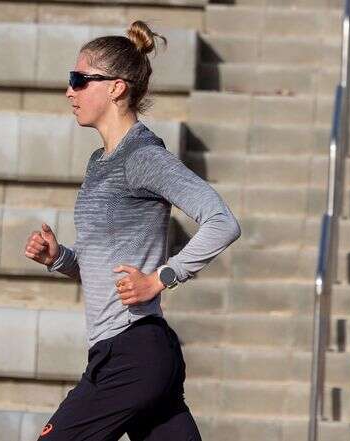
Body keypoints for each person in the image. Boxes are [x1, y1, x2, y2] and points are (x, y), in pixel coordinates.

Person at [24, 20, 241, 441]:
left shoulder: (142, 158)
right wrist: (60, 259)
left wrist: (162, 278)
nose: (70, 91)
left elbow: (222, 221)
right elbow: (107, 268)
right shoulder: (99, 162)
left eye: (80, 79)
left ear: (116, 88)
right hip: (125, 354)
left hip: (132, 353)